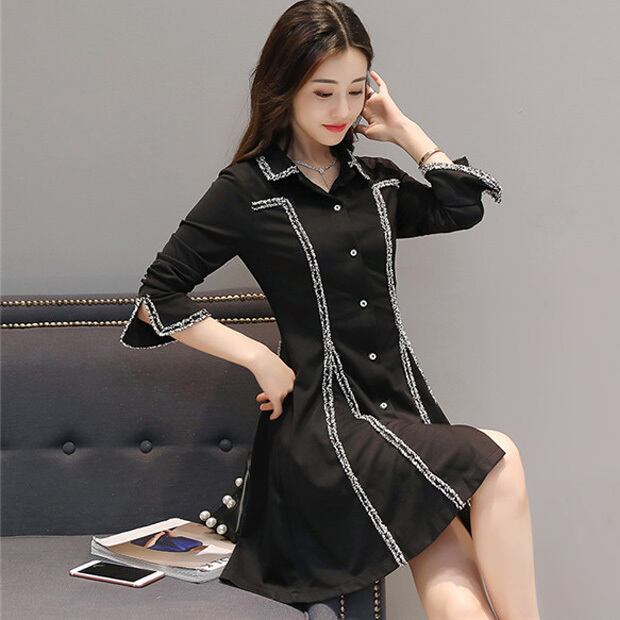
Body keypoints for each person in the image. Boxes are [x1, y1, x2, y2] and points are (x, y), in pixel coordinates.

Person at [120, 1, 541, 618]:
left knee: (449, 561)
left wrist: (403, 129)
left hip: (399, 410)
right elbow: (157, 296)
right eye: (323, 92)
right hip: (324, 430)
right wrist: (259, 357)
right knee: (498, 456)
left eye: (355, 90)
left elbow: (462, 206)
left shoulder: (376, 181)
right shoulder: (248, 191)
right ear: (285, 88)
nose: (342, 109)